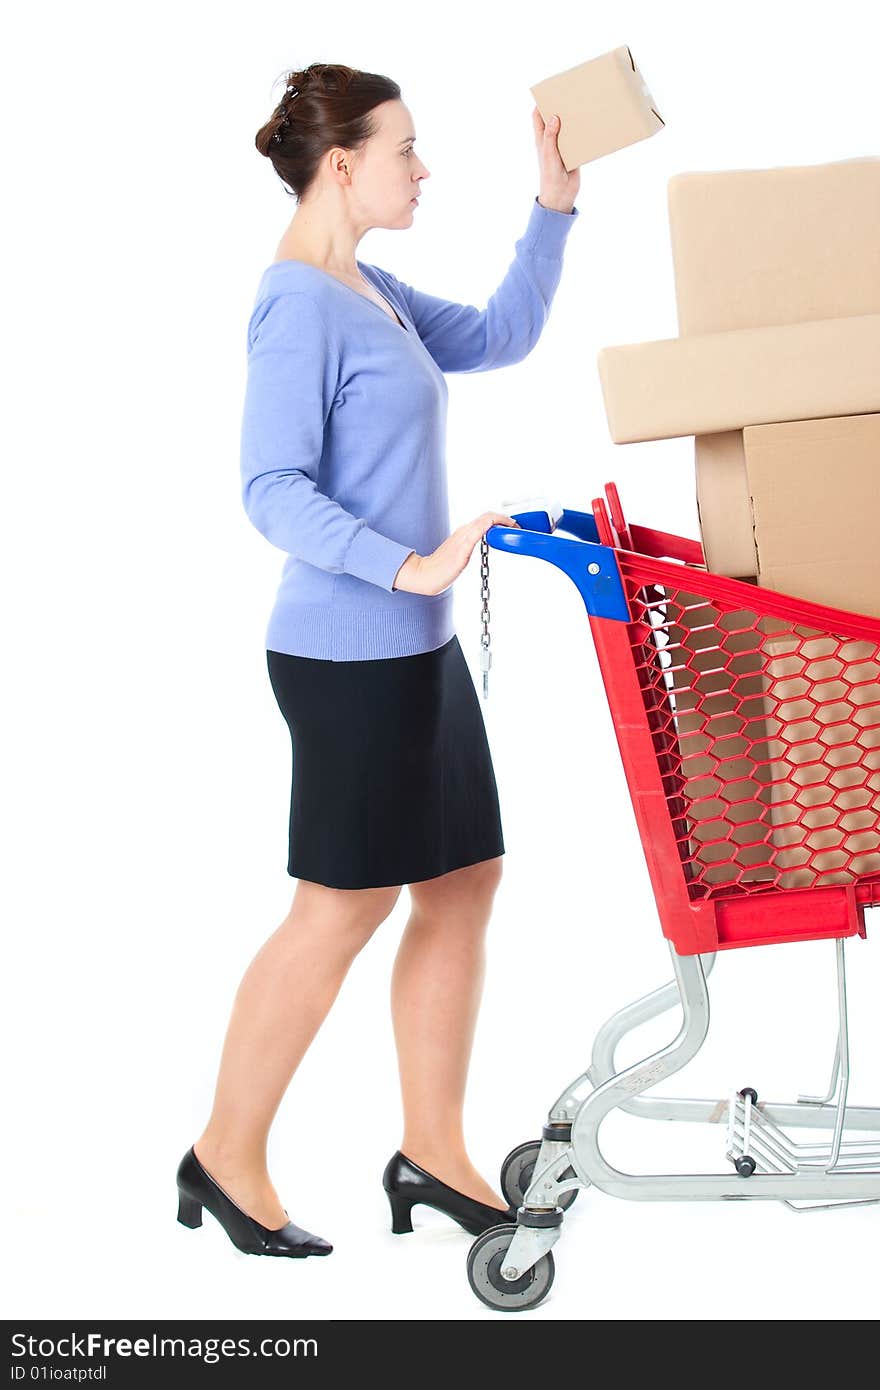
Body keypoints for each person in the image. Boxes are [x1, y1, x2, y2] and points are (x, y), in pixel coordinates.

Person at [176, 62, 580, 1258]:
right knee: (336, 911)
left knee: (463, 881)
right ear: (342, 163)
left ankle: (431, 1151)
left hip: (419, 651)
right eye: (406, 148)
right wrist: (403, 566)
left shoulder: (375, 290)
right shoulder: (296, 300)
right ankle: (223, 1153)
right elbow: (268, 488)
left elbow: (503, 334)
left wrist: (552, 203)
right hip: (349, 653)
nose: (423, 168)